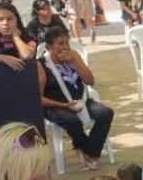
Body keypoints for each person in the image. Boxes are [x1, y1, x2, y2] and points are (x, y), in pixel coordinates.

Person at [37, 27, 113, 170]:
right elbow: (38, 98)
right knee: (72, 121)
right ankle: (86, 150)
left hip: (80, 100)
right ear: (49, 46)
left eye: (67, 43)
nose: (65, 47)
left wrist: (75, 62)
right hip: (56, 105)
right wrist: (64, 105)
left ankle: (90, 151)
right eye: (60, 43)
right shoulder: (41, 65)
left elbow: (90, 81)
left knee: (105, 113)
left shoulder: (73, 56)